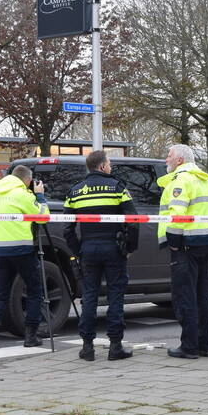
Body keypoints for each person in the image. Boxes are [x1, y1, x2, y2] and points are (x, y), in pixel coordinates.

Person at [157, 144, 208, 359]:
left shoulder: (180, 181)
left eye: (169, 155)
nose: (166, 159)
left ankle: (189, 346)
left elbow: (177, 214)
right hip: (206, 243)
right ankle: (204, 345)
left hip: (185, 245)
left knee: (185, 295)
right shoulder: (207, 181)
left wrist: (173, 241)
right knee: (203, 295)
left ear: (180, 160)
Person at [63, 150, 138, 361]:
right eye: (110, 164)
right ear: (103, 166)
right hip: (114, 249)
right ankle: (115, 347)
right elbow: (133, 220)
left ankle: (87, 348)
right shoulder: (117, 188)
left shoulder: (74, 192)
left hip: (88, 249)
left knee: (89, 298)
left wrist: (78, 250)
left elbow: (67, 228)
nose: (111, 167)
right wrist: (130, 247)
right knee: (115, 296)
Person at [0, 165, 49, 350]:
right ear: (27, 180)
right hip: (21, 249)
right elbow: (43, 217)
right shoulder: (23, 195)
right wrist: (40, 196)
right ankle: (31, 335)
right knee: (35, 291)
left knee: (0, 293)